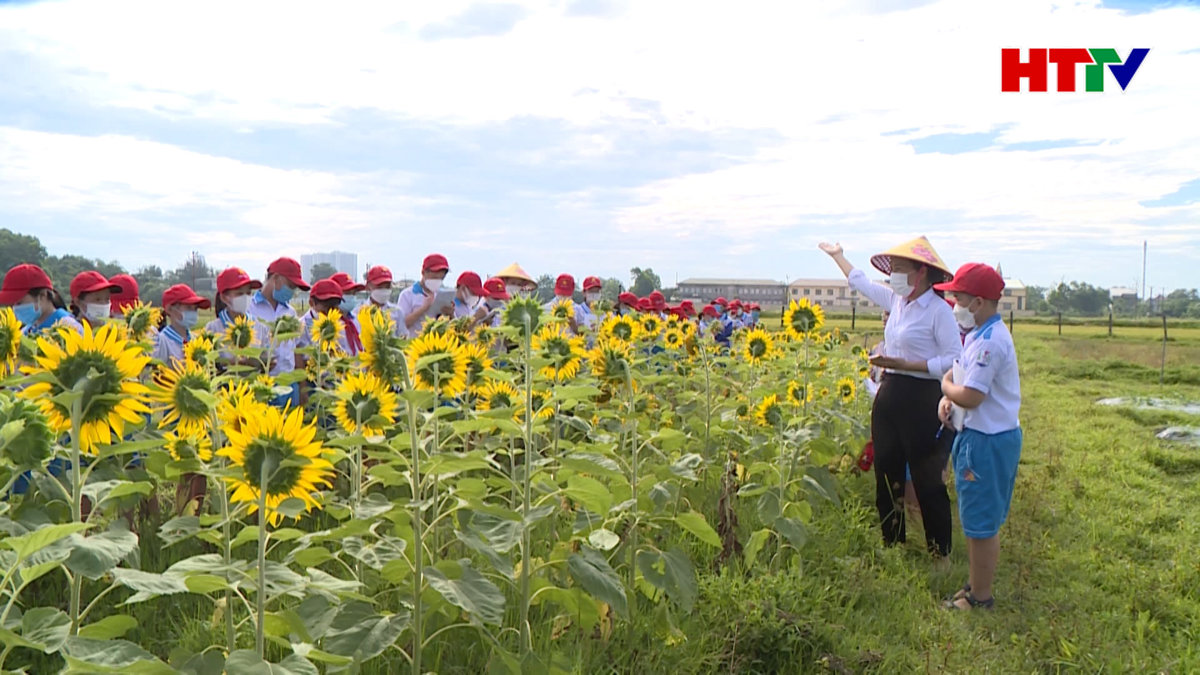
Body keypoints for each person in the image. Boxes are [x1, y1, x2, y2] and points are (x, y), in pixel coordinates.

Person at [820, 237, 961, 564]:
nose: (893, 276)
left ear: (921, 272)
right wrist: (838, 256)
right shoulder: (897, 301)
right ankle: (892, 542)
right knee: (887, 470)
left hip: (924, 397)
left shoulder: (939, 312)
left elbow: (955, 360)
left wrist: (909, 365)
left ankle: (940, 553)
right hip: (890, 395)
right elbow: (861, 283)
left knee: (927, 477)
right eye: (892, 269)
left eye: (899, 269)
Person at [933, 263, 1021, 610]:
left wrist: (945, 386)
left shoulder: (990, 344)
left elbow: (971, 395)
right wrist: (948, 399)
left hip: (986, 441)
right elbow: (963, 377)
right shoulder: (978, 334)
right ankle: (974, 585)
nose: (954, 303)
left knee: (981, 524)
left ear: (979, 302)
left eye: (959, 297)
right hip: (981, 435)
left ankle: (980, 598)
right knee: (974, 519)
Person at [247, 257, 309, 408]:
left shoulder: (290, 312)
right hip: (260, 385)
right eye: (290, 286)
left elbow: (296, 350)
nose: (292, 292)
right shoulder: (249, 308)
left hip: (289, 383)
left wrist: (302, 387)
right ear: (276, 279)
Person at [0, 263, 82, 335]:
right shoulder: (26, 331)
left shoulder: (70, 328)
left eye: (19, 303)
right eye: (12, 304)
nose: (15, 309)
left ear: (43, 295)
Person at [153, 284, 211, 366]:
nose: (193, 312)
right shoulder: (162, 342)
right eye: (188, 308)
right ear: (169, 309)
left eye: (195, 309)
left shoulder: (196, 339)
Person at [301, 279, 362, 357]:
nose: (330, 312)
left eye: (334, 307)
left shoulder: (339, 324)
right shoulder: (302, 327)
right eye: (326, 306)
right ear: (312, 303)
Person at [398, 254, 451, 335]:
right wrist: (424, 308)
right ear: (423, 272)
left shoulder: (443, 295)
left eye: (441, 279)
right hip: (415, 345)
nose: (437, 281)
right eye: (434, 278)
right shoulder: (407, 295)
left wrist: (451, 314)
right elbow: (401, 325)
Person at [363, 265, 406, 337]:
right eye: (379, 286)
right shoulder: (360, 312)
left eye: (387, 286)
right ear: (368, 286)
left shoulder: (397, 312)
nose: (383, 290)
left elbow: (403, 337)